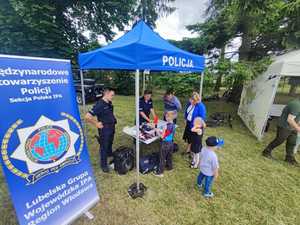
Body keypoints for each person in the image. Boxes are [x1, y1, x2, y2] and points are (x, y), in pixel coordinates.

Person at [85, 87, 117, 173]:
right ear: (106, 94)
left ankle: (109, 153)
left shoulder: (109, 102)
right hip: (104, 129)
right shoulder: (99, 104)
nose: (113, 97)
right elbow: (87, 116)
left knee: (110, 142)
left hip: (111, 126)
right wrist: (96, 124)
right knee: (104, 146)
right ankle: (103, 165)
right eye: (111, 95)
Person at [262, 99, 300, 165]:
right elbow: (290, 120)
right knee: (279, 140)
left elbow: (298, 117)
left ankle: (289, 158)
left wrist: (297, 126)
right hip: (284, 126)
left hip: (293, 127)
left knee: (292, 142)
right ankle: (266, 152)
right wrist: (298, 129)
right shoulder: (296, 105)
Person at [154, 111, 176, 177]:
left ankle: (160, 173)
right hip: (171, 143)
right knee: (169, 156)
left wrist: (156, 130)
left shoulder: (166, 126)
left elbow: (162, 136)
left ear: (168, 118)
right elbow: (168, 133)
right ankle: (170, 167)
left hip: (165, 143)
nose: (165, 117)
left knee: (162, 157)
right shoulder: (173, 124)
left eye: (166, 116)